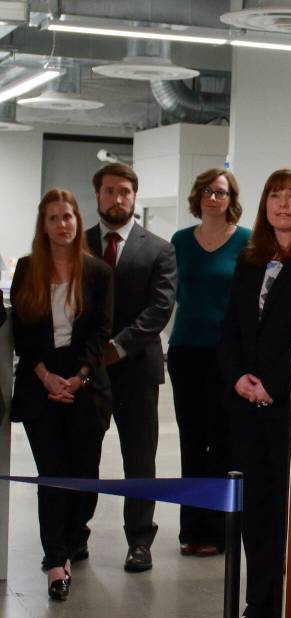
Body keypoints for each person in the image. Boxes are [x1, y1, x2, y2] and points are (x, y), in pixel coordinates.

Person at [219, 168, 291, 618]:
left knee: (284, 509)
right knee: (253, 507)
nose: (283, 205)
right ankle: (256, 602)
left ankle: (281, 609)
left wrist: (272, 384)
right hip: (245, 402)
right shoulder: (250, 258)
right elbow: (232, 331)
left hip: (288, 402)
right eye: (275, 196)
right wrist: (238, 377)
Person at [10, 189, 114, 601]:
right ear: (44, 225)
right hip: (40, 387)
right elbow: (21, 332)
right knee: (52, 476)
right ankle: (56, 560)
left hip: (86, 388)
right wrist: (46, 377)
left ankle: (71, 541)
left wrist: (78, 378)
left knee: (83, 477)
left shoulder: (98, 272)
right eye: (53, 217)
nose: (62, 224)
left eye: (68, 216)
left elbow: (101, 331)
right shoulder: (26, 268)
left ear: (76, 221)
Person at [85, 163, 176, 573]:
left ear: (134, 196)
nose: (117, 199)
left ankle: (140, 541)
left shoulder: (158, 248)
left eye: (124, 191)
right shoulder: (79, 243)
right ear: (98, 196)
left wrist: (118, 347)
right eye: (109, 191)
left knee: (140, 459)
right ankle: (74, 534)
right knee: (82, 454)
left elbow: (160, 308)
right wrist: (91, 354)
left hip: (136, 368)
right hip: (87, 371)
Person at [168, 169, 251, 558]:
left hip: (227, 355)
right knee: (191, 441)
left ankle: (220, 531)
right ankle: (192, 531)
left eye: (220, 191)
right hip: (185, 351)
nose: (213, 197)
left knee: (223, 442)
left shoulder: (248, 241)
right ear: (197, 196)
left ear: (231, 197)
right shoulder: (181, 241)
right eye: (206, 190)